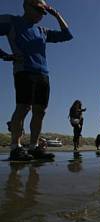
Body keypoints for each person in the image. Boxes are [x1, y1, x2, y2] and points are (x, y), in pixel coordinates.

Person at [0, 0, 73, 161]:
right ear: (26, 6)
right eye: (38, 10)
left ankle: (34, 148)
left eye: (43, 12)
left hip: (43, 74)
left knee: (40, 111)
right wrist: (4, 55)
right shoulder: (11, 21)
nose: (41, 15)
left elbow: (67, 35)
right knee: (23, 108)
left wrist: (57, 15)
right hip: (24, 71)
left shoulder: (42, 30)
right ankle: (15, 148)